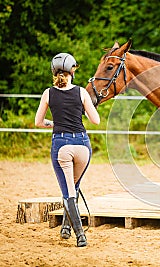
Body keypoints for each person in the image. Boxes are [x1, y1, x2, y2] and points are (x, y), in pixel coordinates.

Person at [35, 53, 100, 247]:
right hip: (82, 145)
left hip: (61, 144)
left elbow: (38, 122)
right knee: (74, 185)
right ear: (72, 70)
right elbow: (95, 120)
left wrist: (54, 123)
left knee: (68, 190)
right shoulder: (81, 92)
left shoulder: (48, 93)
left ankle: (80, 235)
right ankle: (65, 227)